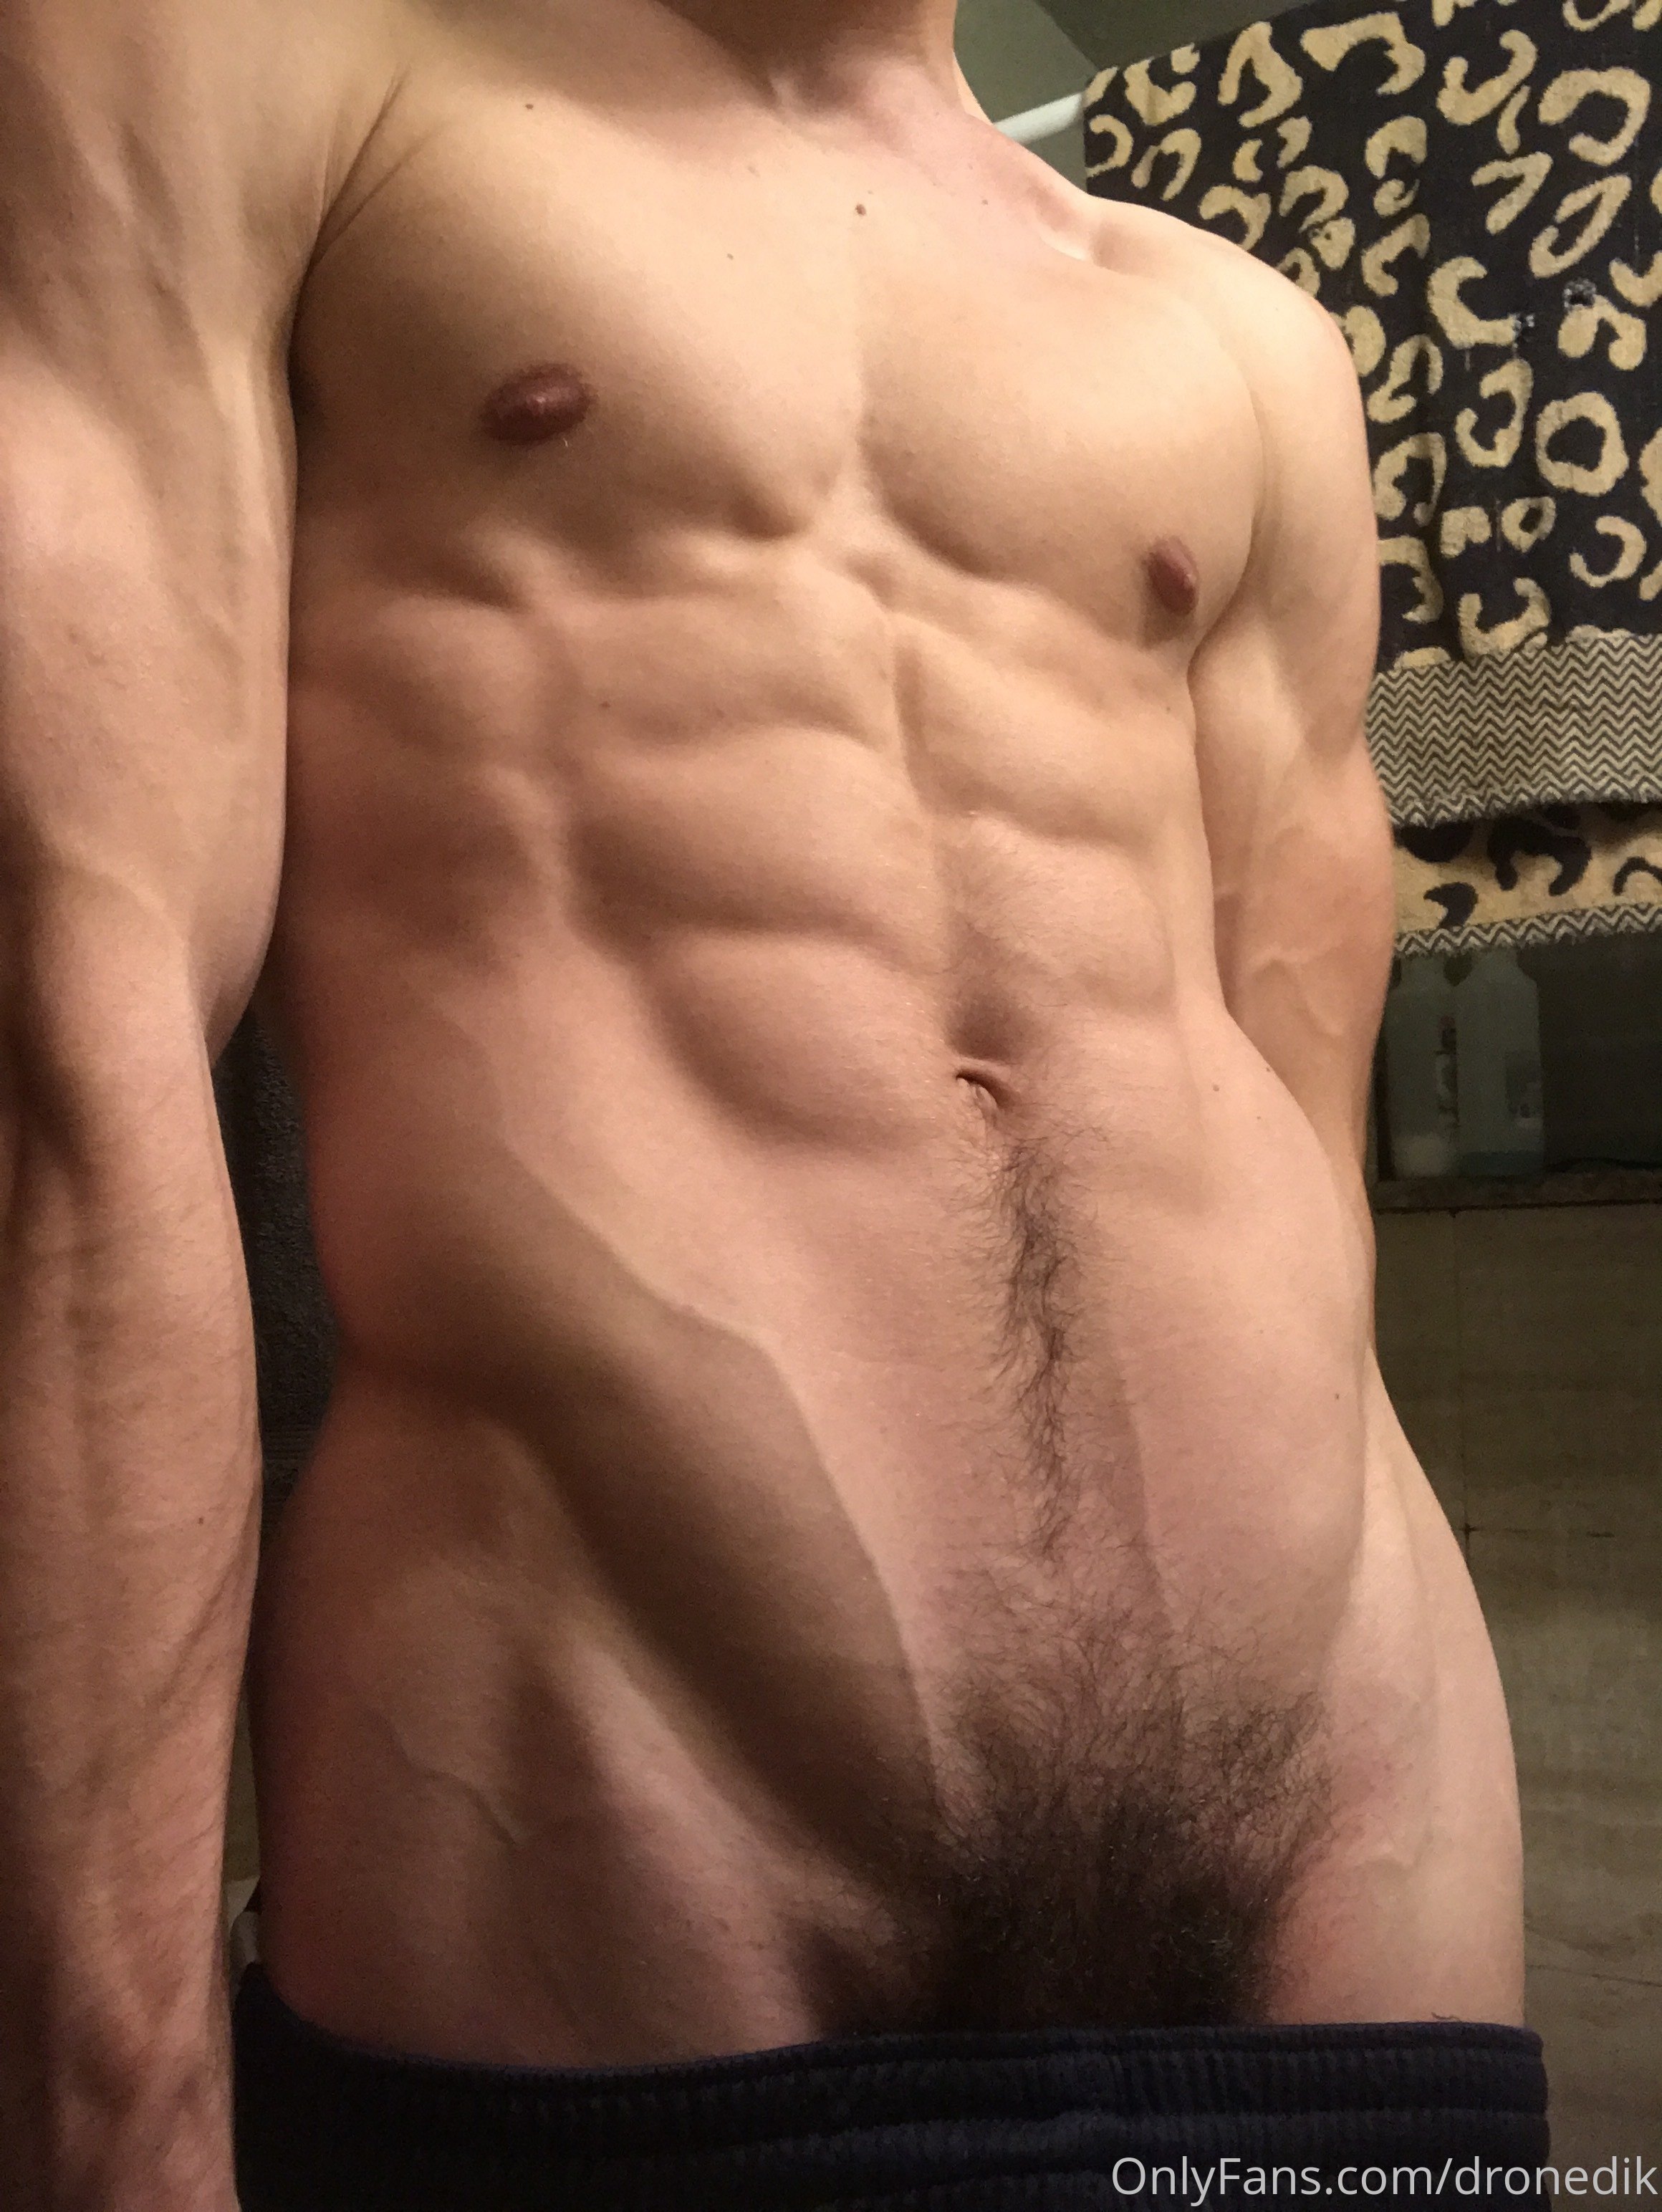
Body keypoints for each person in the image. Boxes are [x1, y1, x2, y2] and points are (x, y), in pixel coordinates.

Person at [0, 0, 1547, 2206]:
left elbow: (1306, 1183)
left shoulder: (1244, 344)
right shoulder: (242, 65)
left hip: (1351, 1872)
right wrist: (109, 2113)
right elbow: (80, 1060)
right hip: (613, 1854)